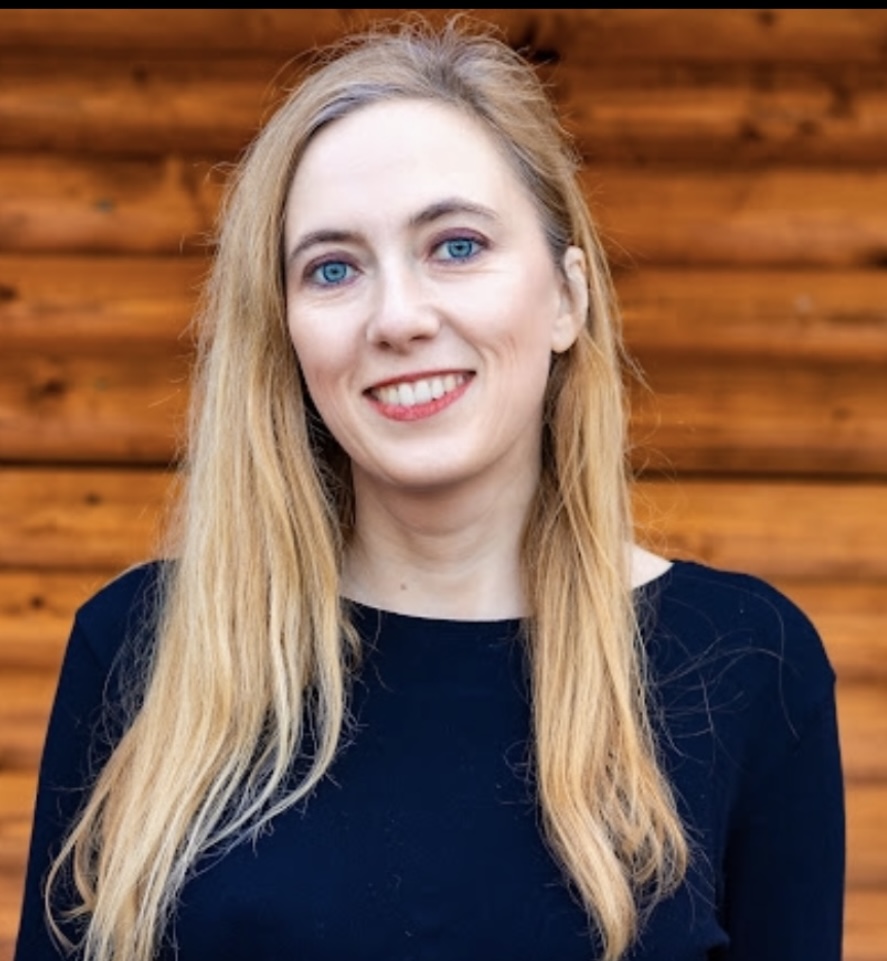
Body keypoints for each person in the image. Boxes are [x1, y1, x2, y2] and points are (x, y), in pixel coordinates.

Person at [15, 20, 844, 961]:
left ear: (566, 296)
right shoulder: (143, 647)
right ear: (285, 332)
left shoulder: (746, 663)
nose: (398, 317)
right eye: (333, 268)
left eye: (455, 246)